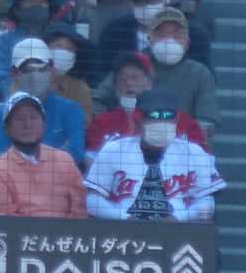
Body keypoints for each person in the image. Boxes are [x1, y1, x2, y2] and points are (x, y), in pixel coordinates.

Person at [84, 85, 219, 220]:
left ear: (177, 119)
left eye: (168, 115)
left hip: (179, 233)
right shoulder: (113, 149)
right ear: (137, 119)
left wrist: (179, 218)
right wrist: (124, 218)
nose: (161, 120)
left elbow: (207, 202)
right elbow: (92, 200)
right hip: (122, 232)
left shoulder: (194, 152)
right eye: (153, 115)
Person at [0, 90, 86, 216]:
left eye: (34, 117)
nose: (28, 124)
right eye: (20, 119)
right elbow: (6, 217)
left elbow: (80, 208)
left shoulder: (64, 159)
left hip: (66, 233)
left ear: (44, 125)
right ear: (6, 129)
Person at [0, 34, 83, 154]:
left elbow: (75, 155)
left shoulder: (71, 110)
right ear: (14, 74)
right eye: (27, 68)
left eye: (40, 67)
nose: (34, 73)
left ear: (52, 72)